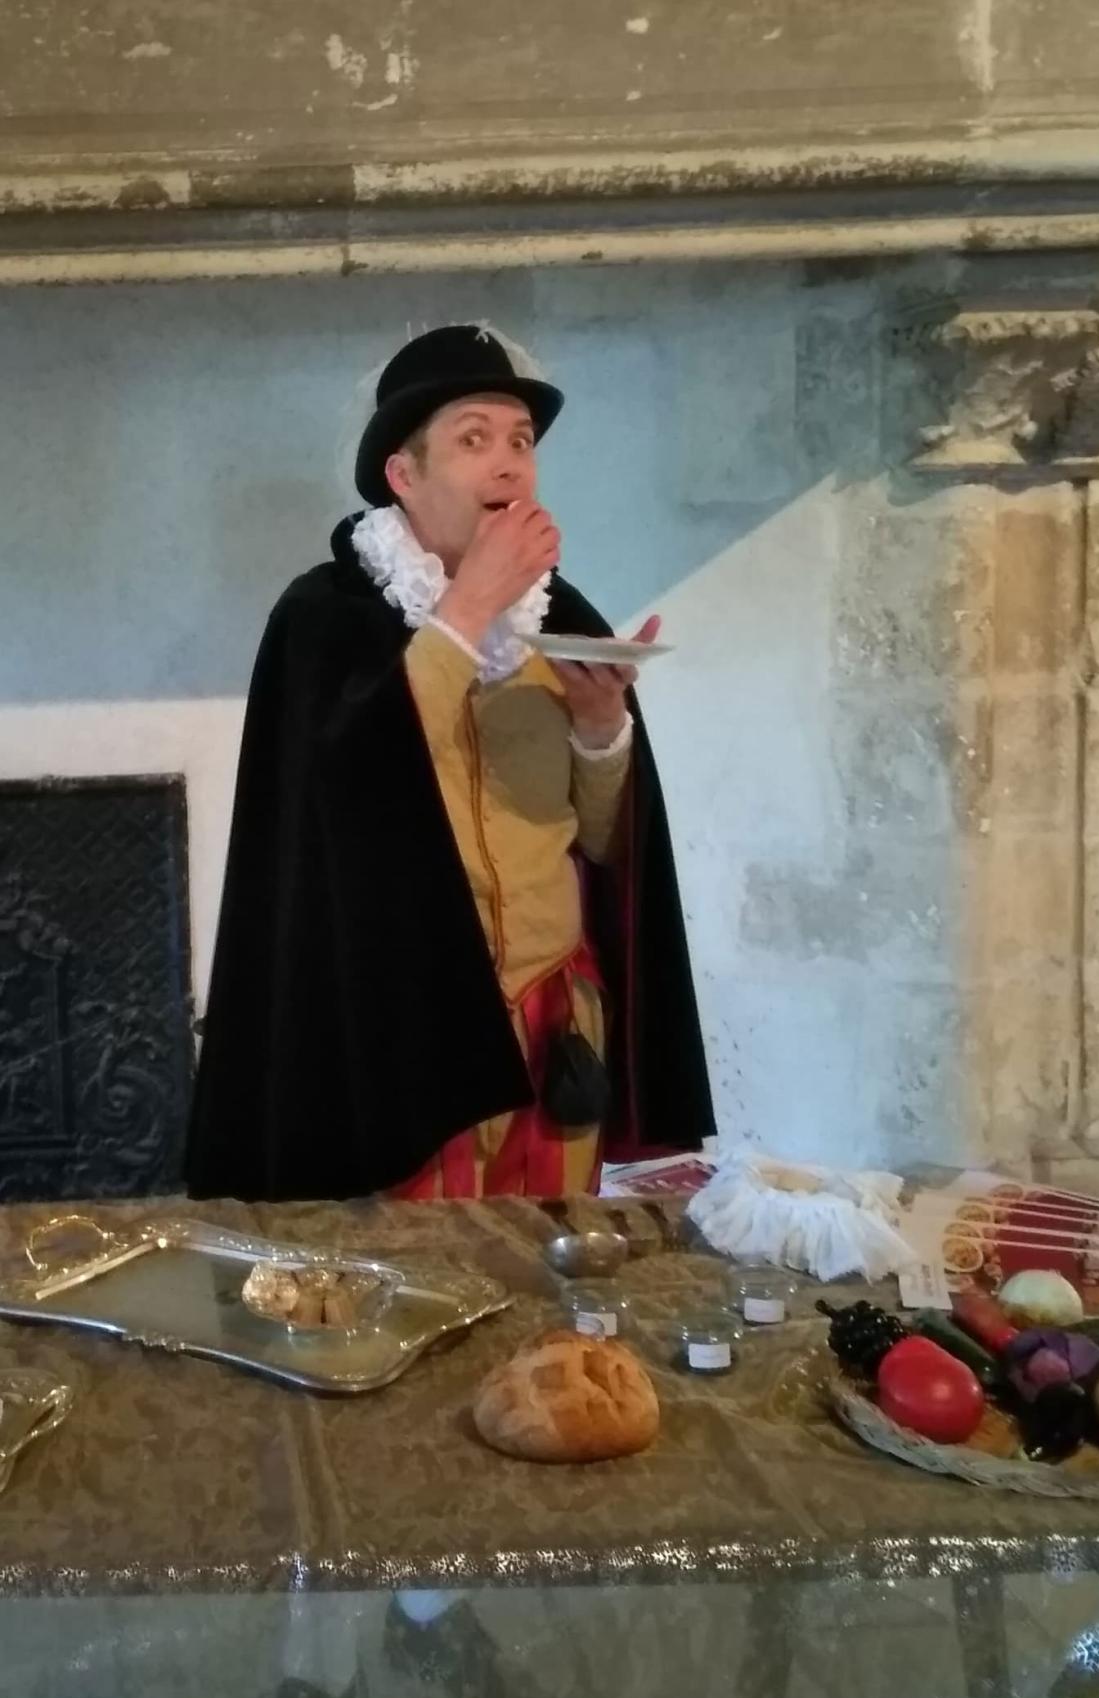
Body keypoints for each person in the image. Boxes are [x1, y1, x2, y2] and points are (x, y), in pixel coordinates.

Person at [186, 322, 714, 1202]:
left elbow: (604, 843)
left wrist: (599, 725)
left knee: (546, 1276)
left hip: (555, 1021)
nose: (509, 465)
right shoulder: (324, 618)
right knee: (422, 1293)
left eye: (520, 443)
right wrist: (465, 611)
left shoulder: (564, 616)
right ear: (404, 474)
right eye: (474, 440)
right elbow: (340, 795)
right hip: (401, 1038)